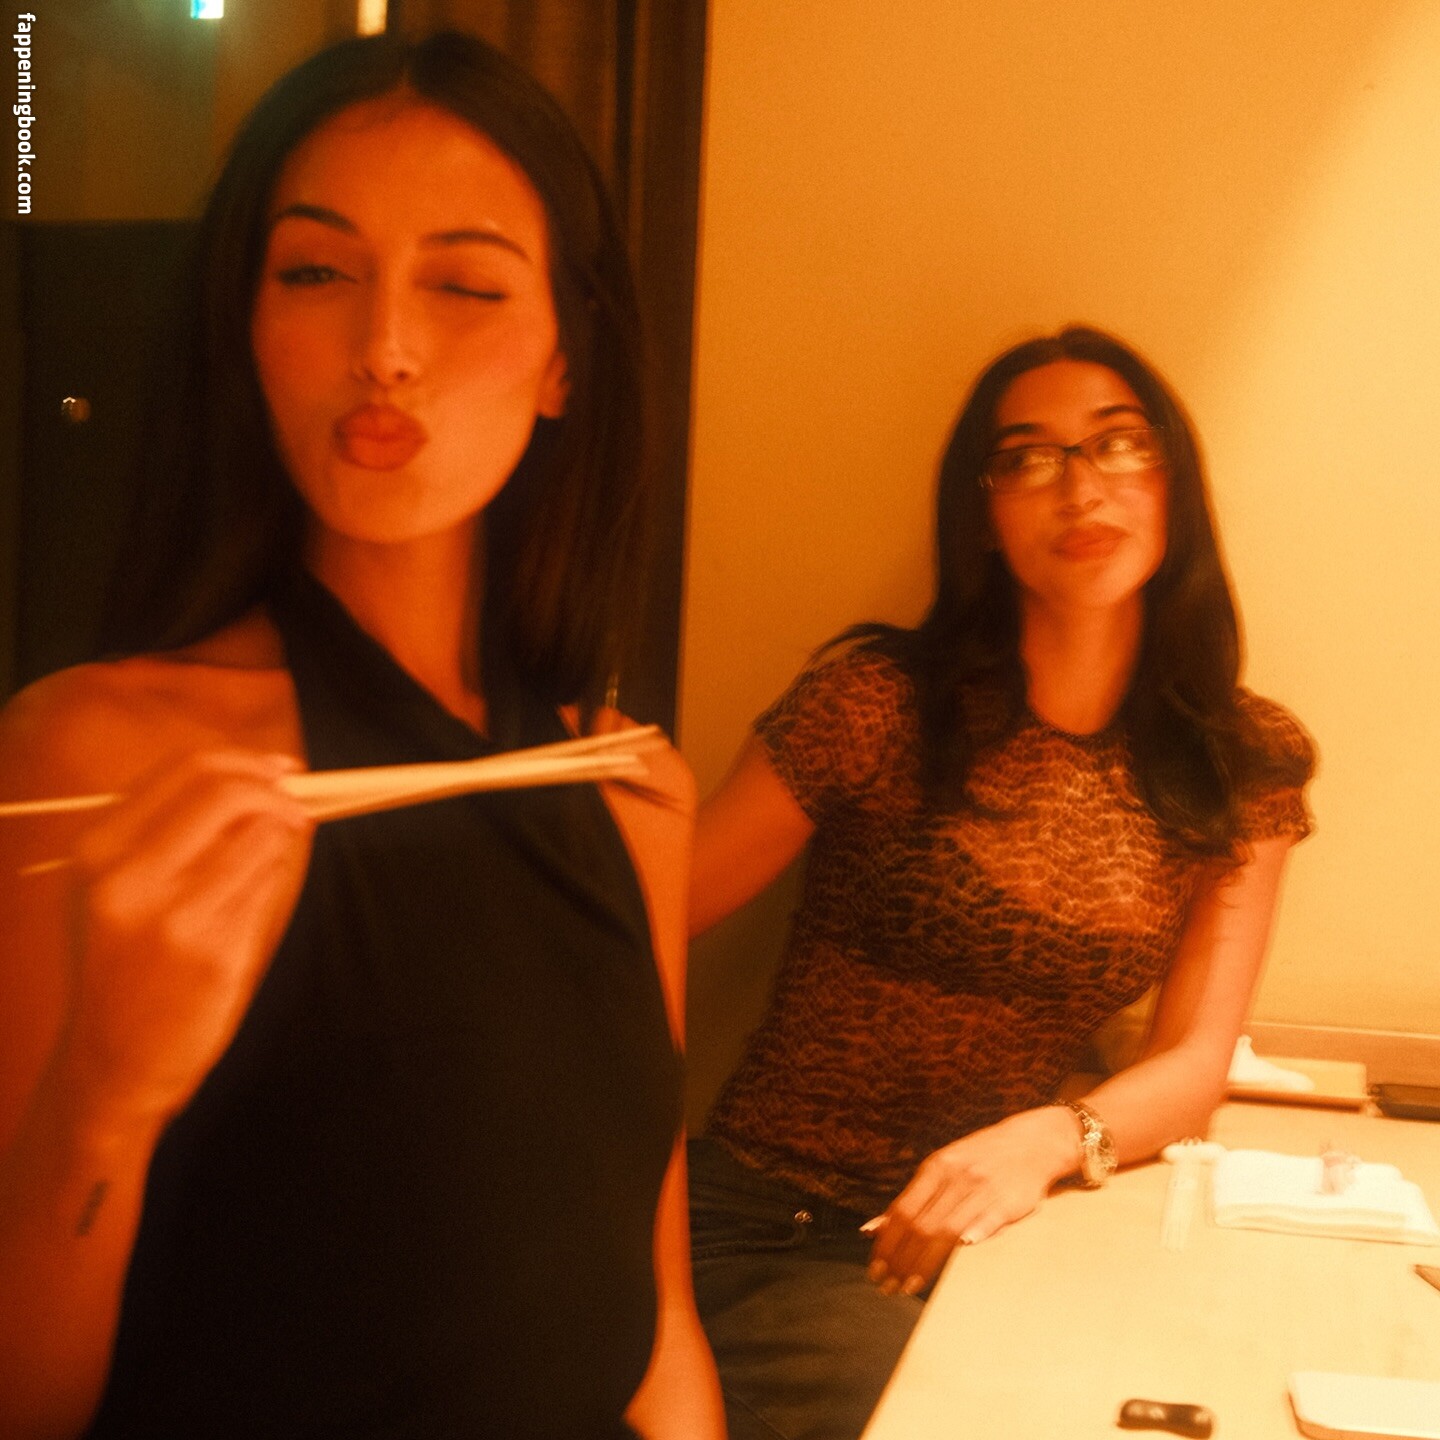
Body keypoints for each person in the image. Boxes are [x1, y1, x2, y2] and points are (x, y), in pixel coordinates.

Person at [0, 30, 722, 1440]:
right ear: (247, 329)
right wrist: (102, 1095)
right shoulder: (94, 758)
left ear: (566, 361)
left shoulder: (636, 792)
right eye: (317, 274)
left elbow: (661, 1326)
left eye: (465, 285)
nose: (384, 349)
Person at [686, 326, 1315, 1440]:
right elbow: (645, 918)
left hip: (1014, 1228)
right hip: (787, 1227)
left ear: (1174, 483)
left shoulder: (1240, 760)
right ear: (983, 514)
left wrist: (1047, 1140)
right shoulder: (877, 704)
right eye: (1027, 458)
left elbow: (1192, 1060)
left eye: (1118, 444)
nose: (1079, 488)